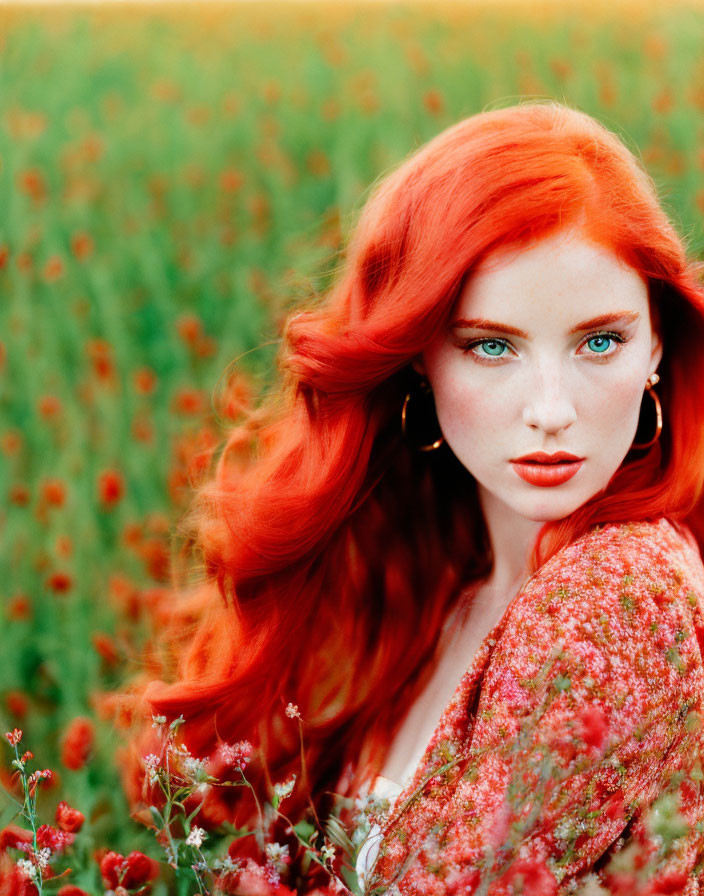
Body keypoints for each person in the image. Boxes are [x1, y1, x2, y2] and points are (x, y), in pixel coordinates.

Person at [116, 100, 704, 895]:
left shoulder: (615, 595)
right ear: (418, 353)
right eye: (491, 346)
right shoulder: (456, 581)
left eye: (600, 341)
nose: (552, 408)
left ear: (658, 343)